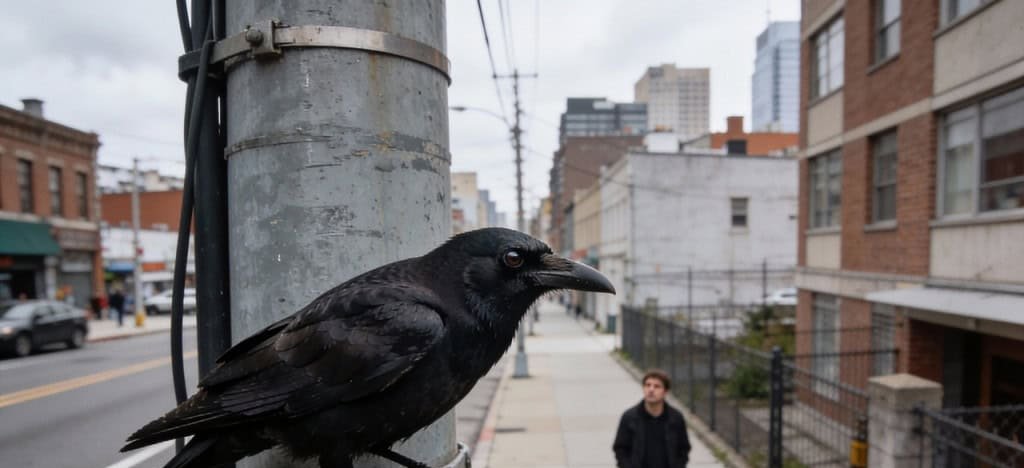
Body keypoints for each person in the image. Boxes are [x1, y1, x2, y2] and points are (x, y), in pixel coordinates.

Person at [613, 369, 691, 468]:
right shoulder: (629, 417)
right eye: (647, 385)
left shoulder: (675, 418)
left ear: (665, 391)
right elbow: (620, 449)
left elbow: (683, 449)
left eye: (657, 386)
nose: (651, 389)